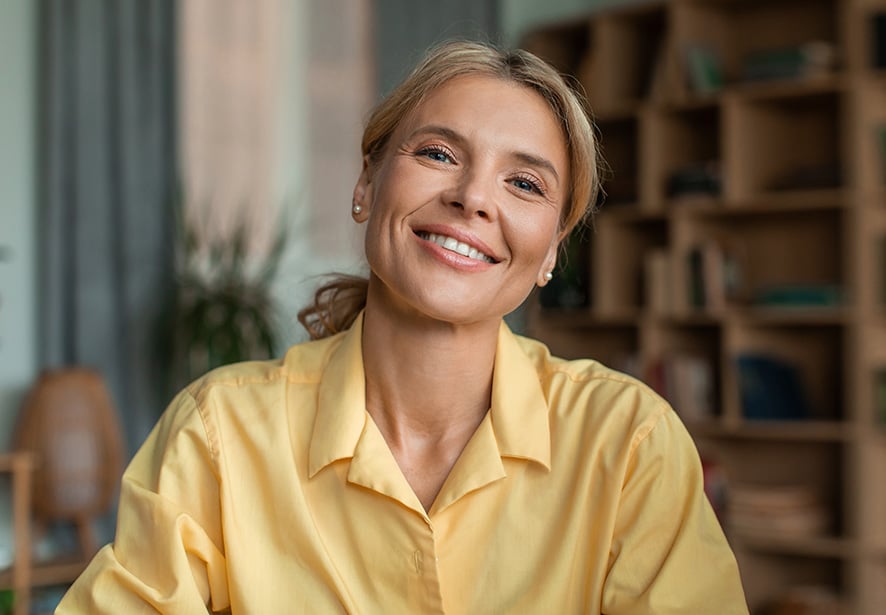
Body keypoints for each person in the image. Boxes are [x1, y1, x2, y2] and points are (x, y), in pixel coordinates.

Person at [57, 40, 747, 614]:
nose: (473, 197)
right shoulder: (219, 433)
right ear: (367, 184)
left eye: (525, 184)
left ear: (551, 255)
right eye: (439, 154)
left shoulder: (629, 443)